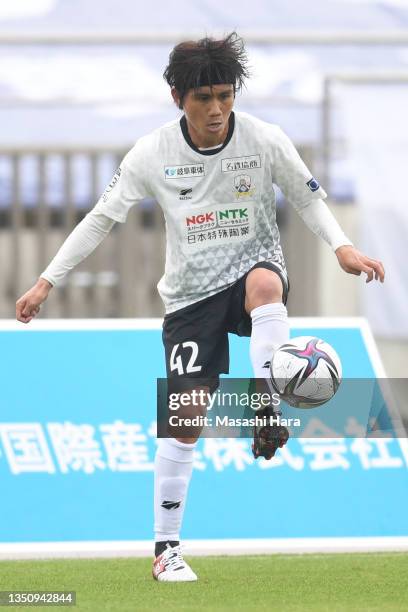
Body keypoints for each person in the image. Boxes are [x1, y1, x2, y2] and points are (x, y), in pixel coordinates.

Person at [16, 32, 385, 582]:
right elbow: (101, 217)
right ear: (177, 98)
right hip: (190, 296)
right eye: (202, 98)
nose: (216, 110)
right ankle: (166, 550)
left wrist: (343, 247)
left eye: (225, 95)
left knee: (266, 283)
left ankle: (266, 403)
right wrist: (47, 280)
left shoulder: (264, 139)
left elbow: (308, 198)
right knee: (184, 418)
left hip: (251, 270)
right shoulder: (152, 153)